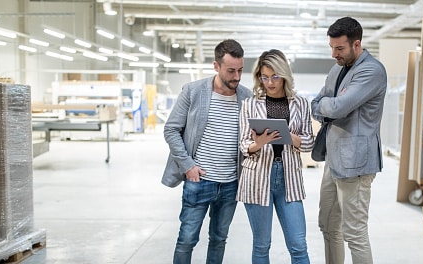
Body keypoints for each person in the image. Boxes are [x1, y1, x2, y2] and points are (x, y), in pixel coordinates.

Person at [161, 39, 253, 264]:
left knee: (219, 239)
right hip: (199, 180)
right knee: (187, 239)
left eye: (240, 70)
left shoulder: (246, 97)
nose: (237, 77)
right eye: (231, 71)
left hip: (231, 183)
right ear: (216, 66)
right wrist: (188, 166)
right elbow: (171, 130)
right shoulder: (193, 91)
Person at [311, 17, 388, 264]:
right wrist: (329, 105)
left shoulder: (371, 70)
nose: (334, 54)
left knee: (354, 233)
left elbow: (338, 107)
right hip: (333, 160)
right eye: (332, 47)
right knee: (328, 225)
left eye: (340, 48)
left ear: (357, 44)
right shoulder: (337, 69)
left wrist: (330, 105)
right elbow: (318, 104)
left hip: (356, 164)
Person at [237, 49, 314, 264]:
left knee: (299, 245)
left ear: (285, 75)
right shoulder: (250, 104)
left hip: (288, 176)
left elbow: (308, 143)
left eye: (275, 77)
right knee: (261, 245)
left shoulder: (301, 103)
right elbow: (243, 144)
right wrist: (258, 143)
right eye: (264, 77)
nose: (270, 83)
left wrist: (289, 136)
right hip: (258, 176)